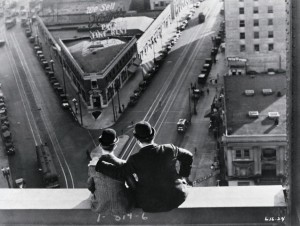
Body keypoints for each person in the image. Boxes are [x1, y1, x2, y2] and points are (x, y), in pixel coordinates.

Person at [96, 121, 194, 213]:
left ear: (137, 140)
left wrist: (100, 164)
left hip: (150, 205)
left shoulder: (135, 159)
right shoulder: (170, 149)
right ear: (153, 135)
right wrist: (183, 177)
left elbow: (119, 172)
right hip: (177, 198)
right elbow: (188, 156)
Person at [87, 129, 134, 215]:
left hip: (99, 207)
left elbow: (90, 186)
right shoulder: (123, 164)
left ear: (100, 145)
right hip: (122, 207)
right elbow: (132, 185)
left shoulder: (93, 165)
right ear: (115, 145)